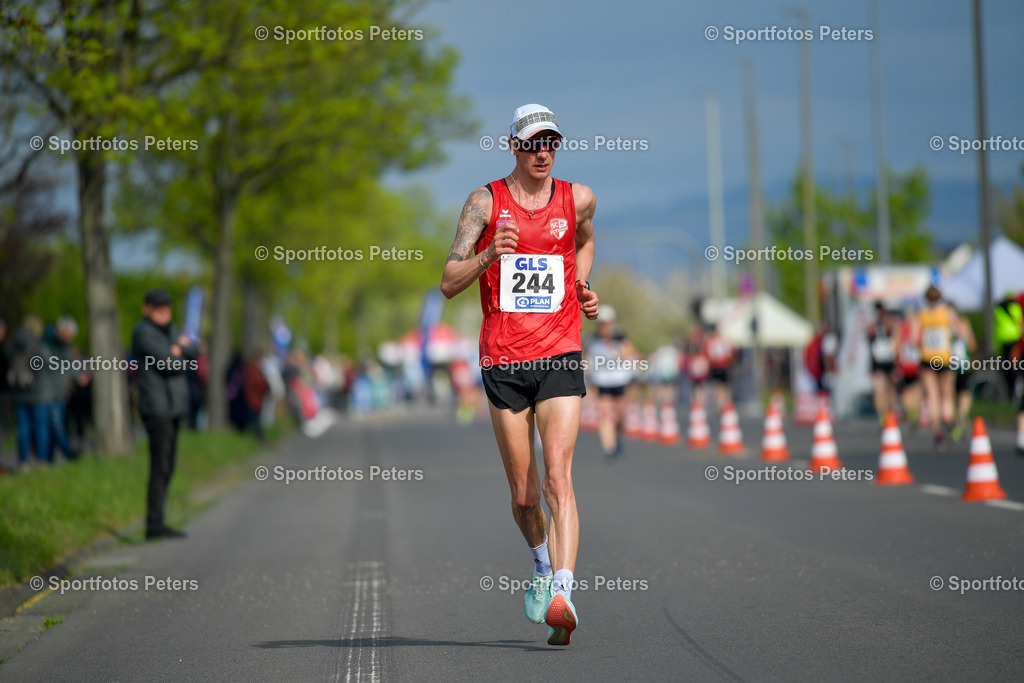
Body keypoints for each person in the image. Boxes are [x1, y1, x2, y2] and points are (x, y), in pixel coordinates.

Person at [440, 103, 598, 646]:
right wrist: (489, 255)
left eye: (551, 142)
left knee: (559, 479)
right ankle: (538, 563)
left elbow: (584, 239)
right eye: (533, 143)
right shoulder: (485, 201)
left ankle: (564, 591)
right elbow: (447, 280)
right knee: (527, 496)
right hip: (505, 361)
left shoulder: (577, 197)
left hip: (559, 352)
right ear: (513, 146)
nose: (543, 152)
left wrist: (580, 286)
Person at [132, 288, 197, 540]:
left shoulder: (171, 331)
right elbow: (169, 363)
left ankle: (158, 520)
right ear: (146, 308)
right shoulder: (143, 333)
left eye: (167, 307)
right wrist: (177, 351)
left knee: (168, 465)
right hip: (156, 407)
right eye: (158, 307)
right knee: (160, 465)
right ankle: (154, 524)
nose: (164, 312)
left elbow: (194, 352)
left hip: (174, 407)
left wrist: (179, 350)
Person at [586, 306, 636, 459]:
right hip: (601, 382)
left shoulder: (621, 338)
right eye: (601, 324)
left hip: (620, 380)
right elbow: (585, 360)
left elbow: (632, 354)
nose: (604, 327)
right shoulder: (592, 340)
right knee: (605, 414)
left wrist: (621, 353)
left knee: (620, 415)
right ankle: (610, 447)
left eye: (607, 323)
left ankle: (617, 436)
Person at [8, 316, 54, 469]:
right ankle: (41, 460)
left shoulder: (12, 345)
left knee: (22, 428)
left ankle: (23, 461)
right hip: (38, 393)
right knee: (40, 427)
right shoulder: (38, 345)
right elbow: (48, 364)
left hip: (18, 392)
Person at [917, 285, 959, 447]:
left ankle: (938, 431)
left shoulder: (922, 315)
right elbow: (959, 332)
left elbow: (915, 338)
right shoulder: (947, 313)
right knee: (946, 395)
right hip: (945, 358)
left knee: (933, 395)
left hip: (928, 360)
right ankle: (948, 419)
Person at [866, 302, 897, 424]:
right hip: (877, 360)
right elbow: (869, 333)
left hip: (889, 360)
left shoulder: (889, 323)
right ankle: (881, 414)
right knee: (879, 388)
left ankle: (889, 411)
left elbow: (895, 333)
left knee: (890, 387)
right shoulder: (872, 325)